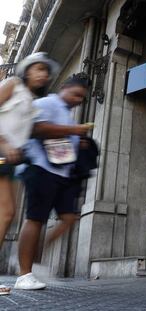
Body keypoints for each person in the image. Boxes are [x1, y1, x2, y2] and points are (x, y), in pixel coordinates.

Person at [14, 74, 92, 290]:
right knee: (35, 219)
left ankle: (37, 250)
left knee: (69, 217)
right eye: (76, 94)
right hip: (40, 169)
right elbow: (36, 128)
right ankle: (24, 274)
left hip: (62, 176)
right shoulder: (47, 103)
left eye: (82, 98)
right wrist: (74, 131)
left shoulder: (67, 115)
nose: (78, 100)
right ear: (64, 87)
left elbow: (64, 145)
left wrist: (81, 142)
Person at [0, 52, 59, 295]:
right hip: (1, 152)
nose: (42, 74)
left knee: (7, 214)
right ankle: (23, 276)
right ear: (26, 70)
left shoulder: (30, 102)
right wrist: (4, 142)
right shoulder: (12, 84)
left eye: (45, 71)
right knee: (6, 214)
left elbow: (32, 132)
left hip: (9, 160)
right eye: (37, 69)